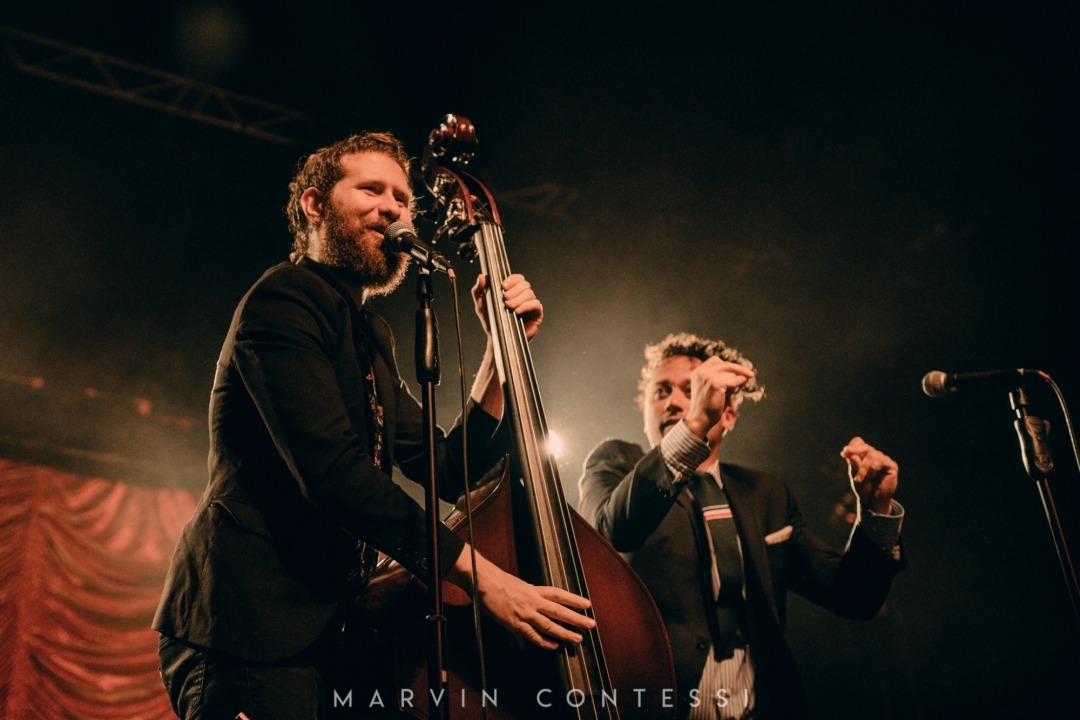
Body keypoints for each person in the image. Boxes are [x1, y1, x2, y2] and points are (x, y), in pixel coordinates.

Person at [153, 131, 594, 719]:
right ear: (315, 205)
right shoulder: (284, 299)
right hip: (249, 629)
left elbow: (447, 470)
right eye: (371, 189)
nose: (393, 208)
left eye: (403, 198)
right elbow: (334, 474)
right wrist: (486, 580)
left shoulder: (370, 335)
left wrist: (498, 349)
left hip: (333, 636)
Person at [578, 333, 906, 719]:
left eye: (691, 389)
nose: (674, 402)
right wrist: (695, 423)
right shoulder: (617, 463)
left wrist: (876, 510)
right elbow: (613, 530)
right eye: (660, 391)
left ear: (729, 413)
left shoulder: (765, 494)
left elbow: (855, 597)